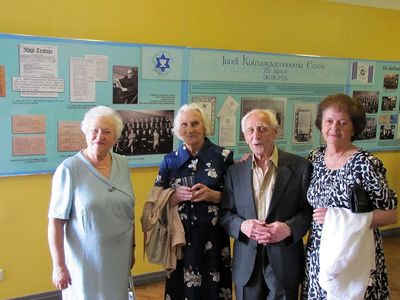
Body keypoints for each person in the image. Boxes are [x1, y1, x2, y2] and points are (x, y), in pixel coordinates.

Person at [301, 93, 398, 300]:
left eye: (342, 122)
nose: (334, 128)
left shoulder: (366, 164)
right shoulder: (314, 157)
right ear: (321, 124)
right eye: (329, 121)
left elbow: (391, 215)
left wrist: (337, 218)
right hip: (319, 252)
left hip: (354, 252)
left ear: (354, 128)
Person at [219, 109, 313, 300]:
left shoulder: (300, 167)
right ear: (245, 137)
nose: (256, 135)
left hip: (284, 257)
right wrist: (242, 226)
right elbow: (225, 214)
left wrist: (288, 229)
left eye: (262, 129)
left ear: (275, 132)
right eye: (250, 130)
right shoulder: (234, 172)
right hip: (247, 260)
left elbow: (308, 211)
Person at [48, 106, 135, 299]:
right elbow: (55, 222)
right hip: (85, 262)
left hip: (119, 258)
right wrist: (59, 266)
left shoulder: (123, 164)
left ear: (115, 137)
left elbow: (129, 212)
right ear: (86, 133)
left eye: (106, 132)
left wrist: (132, 250)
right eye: (94, 130)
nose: (99, 136)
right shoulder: (69, 169)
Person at [153, 103, 234, 300]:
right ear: (177, 130)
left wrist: (214, 196)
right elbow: (156, 200)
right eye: (184, 124)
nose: (189, 129)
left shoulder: (223, 157)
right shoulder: (169, 160)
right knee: (180, 289)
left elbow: (239, 198)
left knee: (213, 289)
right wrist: (174, 197)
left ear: (204, 126)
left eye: (195, 123)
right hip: (180, 239)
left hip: (213, 239)